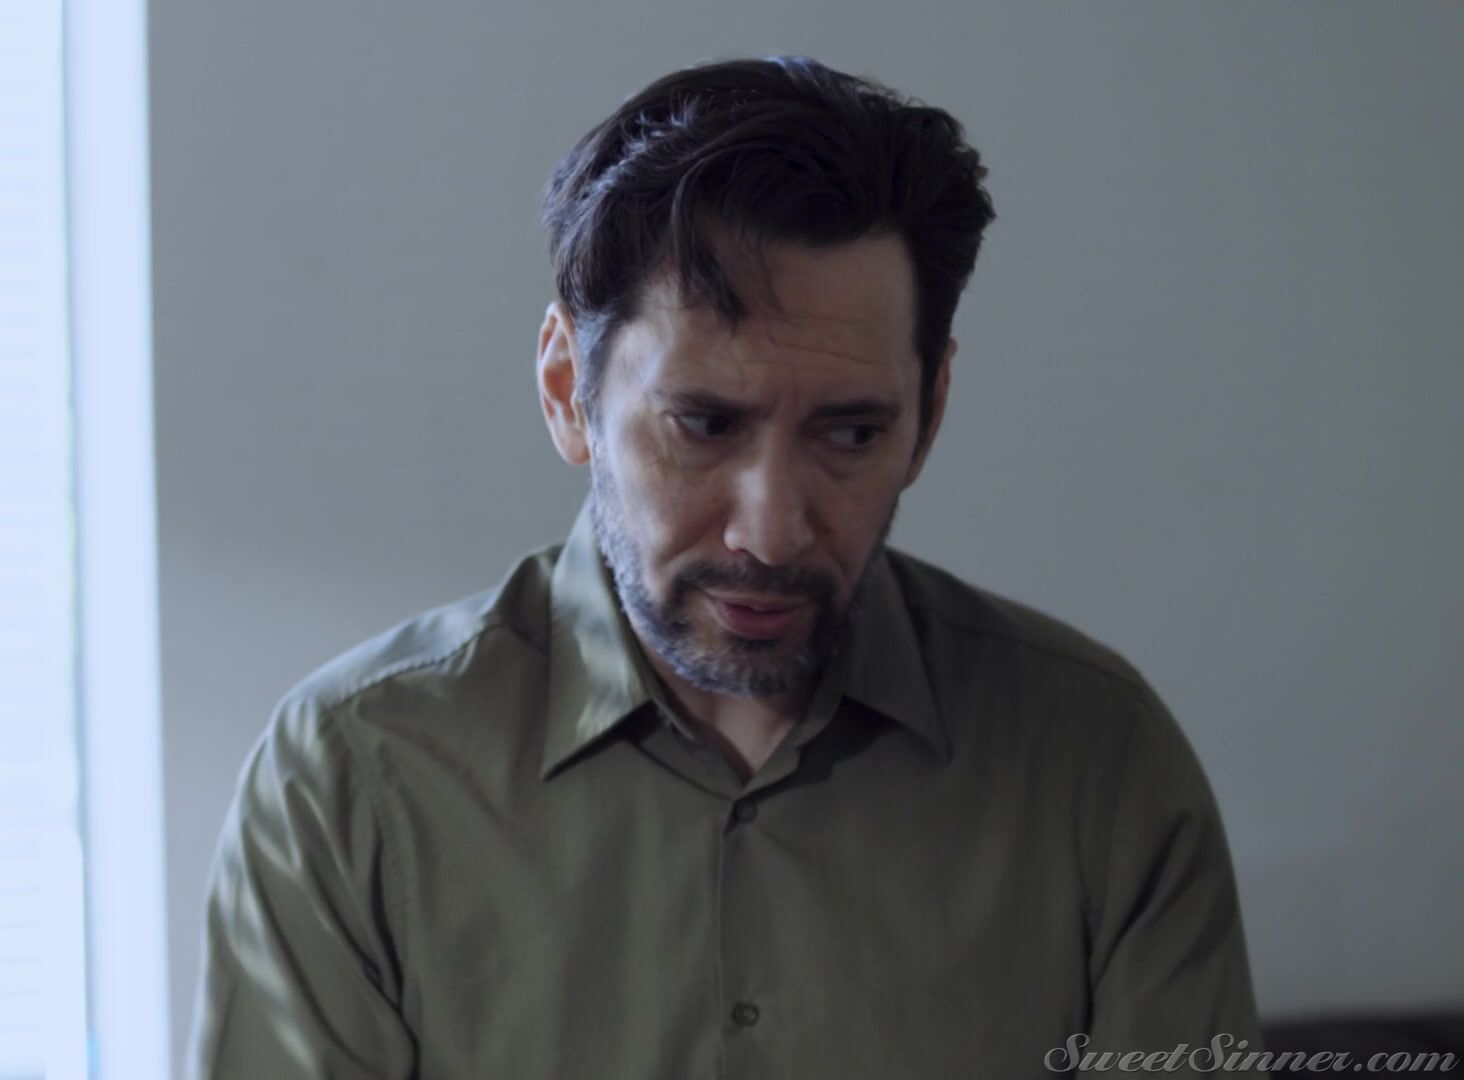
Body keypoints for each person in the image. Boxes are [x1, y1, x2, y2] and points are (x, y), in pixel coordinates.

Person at [186, 54, 1267, 1079]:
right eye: (703, 425)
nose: (772, 532)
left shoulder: (1099, 765)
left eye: (851, 434)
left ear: (930, 413)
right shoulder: (354, 779)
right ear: (568, 391)